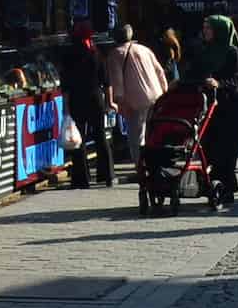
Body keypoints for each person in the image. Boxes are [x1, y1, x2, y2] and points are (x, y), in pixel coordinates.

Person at [187, 14, 238, 206]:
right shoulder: (204, 50)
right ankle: (212, 185)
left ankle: (227, 189)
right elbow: (195, 72)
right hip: (207, 106)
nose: (205, 31)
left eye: (209, 28)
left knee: (226, 149)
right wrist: (181, 81)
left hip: (229, 105)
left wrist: (219, 83)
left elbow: (237, 78)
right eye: (204, 27)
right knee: (208, 147)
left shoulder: (232, 52)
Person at [60, 25, 114, 189]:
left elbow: (66, 86)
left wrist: (66, 107)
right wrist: (109, 102)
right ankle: (107, 175)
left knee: (78, 139)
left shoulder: (69, 56)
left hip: (77, 100)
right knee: (100, 136)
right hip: (95, 99)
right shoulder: (96, 54)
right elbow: (107, 82)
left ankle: (81, 178)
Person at [105, 22, 168, 163]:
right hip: (157, 97)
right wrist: (165, 93)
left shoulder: (115, 54)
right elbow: (160, 72)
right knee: (153, 134)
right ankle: (155, 164)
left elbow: (117, 82)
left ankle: (141, 167)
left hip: (135, 102)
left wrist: (120, 103)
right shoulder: (145, 49)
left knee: (136, 137)